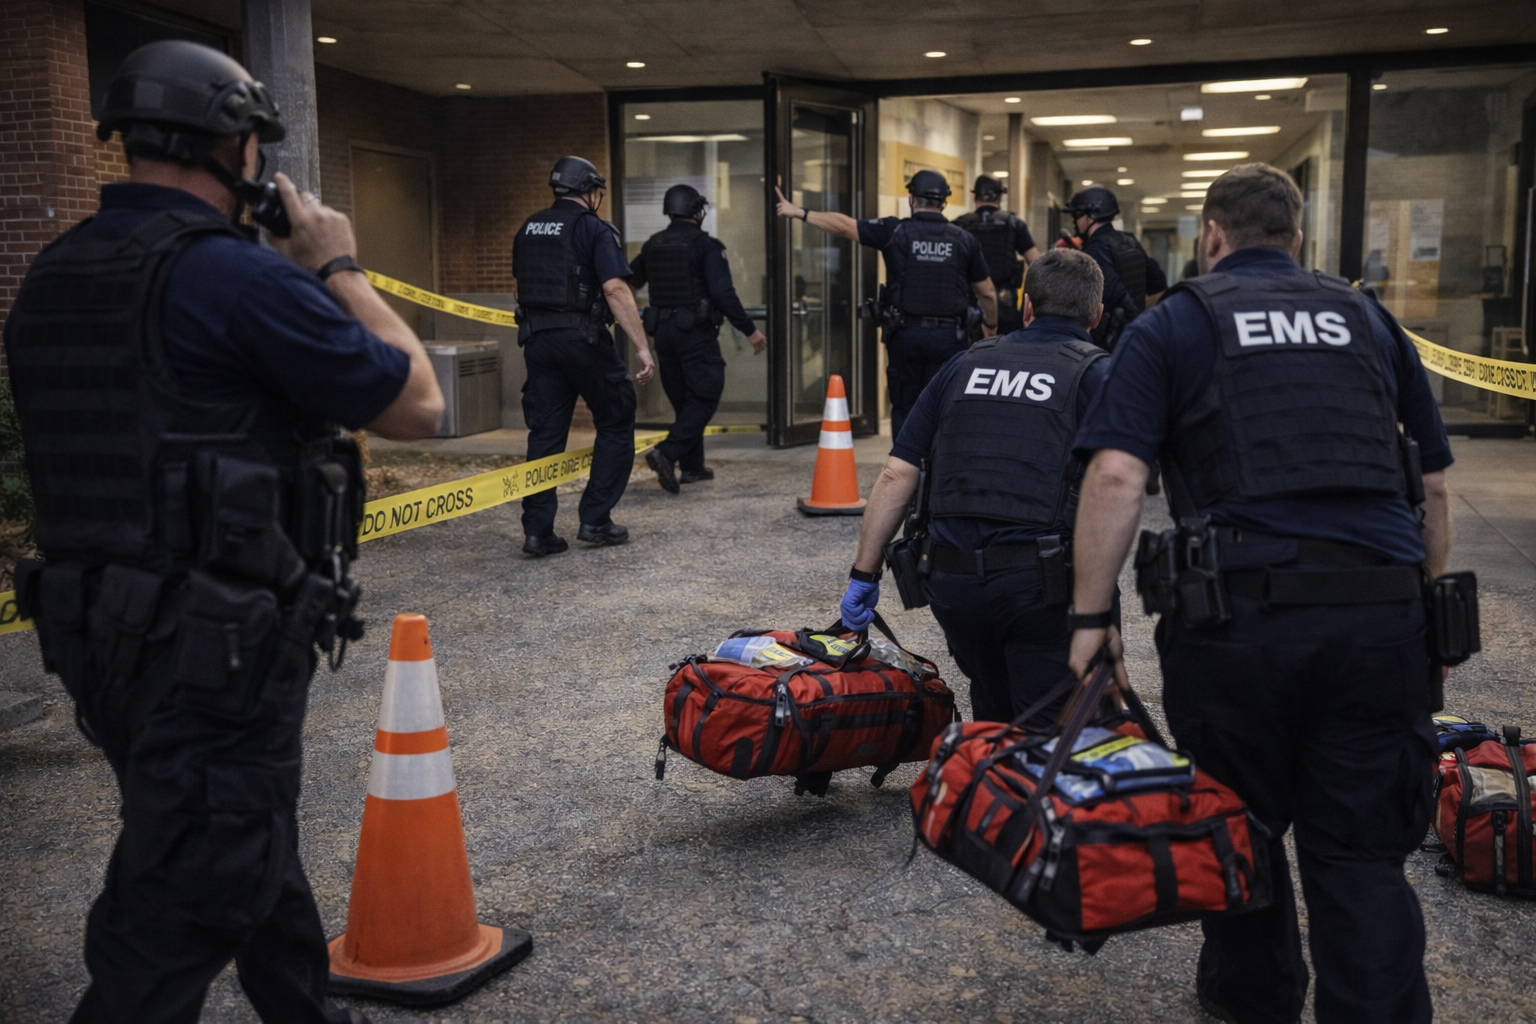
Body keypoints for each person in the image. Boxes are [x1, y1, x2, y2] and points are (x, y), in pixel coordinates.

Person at [2, 40, 444, 1024]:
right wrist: (335, 261)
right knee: (170, 916)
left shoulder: (55, 275)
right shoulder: (236, 281)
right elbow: (417, 399)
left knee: (230, 830)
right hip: (215, 642)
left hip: (93, 631)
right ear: (239, 146)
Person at [1067, 163, 1452, 1024]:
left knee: (1239, 832)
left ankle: (1253, 1002)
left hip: (1238, 626)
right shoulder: (1371, 319)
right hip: (1377, 624)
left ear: (1212, 236)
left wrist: (1093, 619)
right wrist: (1419, 622)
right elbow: (1430, 488)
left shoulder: (1176, 324)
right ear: (1300, 238)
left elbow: (1119, 474)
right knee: (1360, 855)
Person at [838, 249, 1112, 725]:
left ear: (1027, 307)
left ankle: (986, 778)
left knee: (991, 700)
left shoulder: (964, 365)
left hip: (951, 583)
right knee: (1045, 724)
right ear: (1097, 314)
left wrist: (864, 577)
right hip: (1040, 588)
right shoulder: (1099, 374)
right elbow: (1119, 479)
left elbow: (897, 474)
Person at [775, 170, 998, 438]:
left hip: (905, 336)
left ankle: (904, 473)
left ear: (911, 198)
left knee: (904, 406)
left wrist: (800, 212)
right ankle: (937, 474)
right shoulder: (963, 240)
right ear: (944, 202)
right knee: (944, 406)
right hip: (949, 339)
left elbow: (845, 226)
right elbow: (987, 293)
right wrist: (990, 326)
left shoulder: (895, 231)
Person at [512, 156, 656, 556]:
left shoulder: (528, 228)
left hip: (538, 343)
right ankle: (596, 519)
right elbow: (615, 290)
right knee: (616, 417)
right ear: (590, 192)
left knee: (544, 434)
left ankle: (538, 532)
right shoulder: (593, 229)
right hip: (583, 341)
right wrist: (642, 347)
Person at [628, 183, 766, 492]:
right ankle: (667, 453)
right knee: (705, 393)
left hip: (663, 333)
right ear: (697, 212)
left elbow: (630, 283)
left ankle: (692, 467)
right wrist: (751, 330)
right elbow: (723, 293)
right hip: (695, 333)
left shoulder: (652, 245)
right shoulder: (706, 246)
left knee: (684, 400)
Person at [1063, 186, 1166, 351]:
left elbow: (1114, 292)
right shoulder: (1129, 241)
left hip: (1107, 344)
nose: (1075, 221)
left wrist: (1135, 322)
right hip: (1131, 341)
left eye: (1077, 215)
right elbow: (1158, 283)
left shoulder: (1095, 249)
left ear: (1091, 217)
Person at [952, 175, 1040, 335]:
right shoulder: (1014, 224)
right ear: (1000, 197)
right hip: (1005, 304)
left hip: (967, 304)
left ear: (975, 197)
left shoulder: (959, 225)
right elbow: (1037, 264)